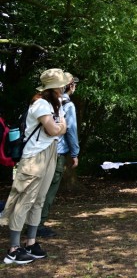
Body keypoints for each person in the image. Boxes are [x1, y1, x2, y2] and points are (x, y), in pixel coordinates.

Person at [1, 68, 69, 264]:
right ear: (54, 88)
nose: (64, 88)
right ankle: (14, 249)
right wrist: (58, 128)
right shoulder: (40, 104)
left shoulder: (56, 106)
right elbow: (54, 129)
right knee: (24, 200)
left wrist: (58, 128)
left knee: (39, 200)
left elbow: (60, 129)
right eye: (61, 85)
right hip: (34, 157)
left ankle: (31, 243)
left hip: (50, 153)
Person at [37, 73, 80, 238]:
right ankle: (38, 225)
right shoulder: (67, 105)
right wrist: (75, 153)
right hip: (56, 153)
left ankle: (27, 222)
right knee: (49, 190)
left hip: (38, 152)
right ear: (70, 86)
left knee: (36, 188)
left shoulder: (41, 101)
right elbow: (71, 130)